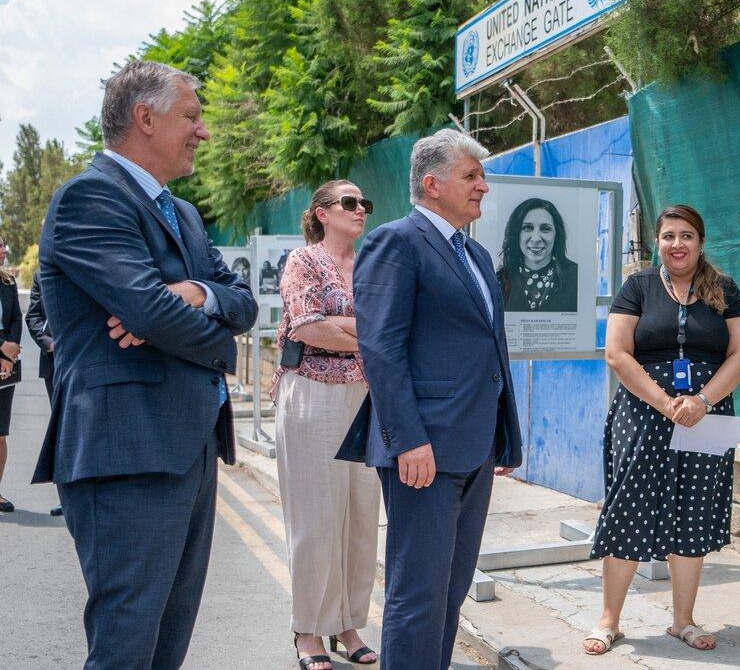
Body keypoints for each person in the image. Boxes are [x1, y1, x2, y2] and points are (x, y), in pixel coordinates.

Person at [32, 60, 258, 668]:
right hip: (127, 450)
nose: (203, 131)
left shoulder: (182, 212)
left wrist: (195, 294)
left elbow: (241, 301)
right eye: (192, 116)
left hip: (189, 447)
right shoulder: (89, 197)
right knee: (126, 648)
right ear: (145, 118)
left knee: (165, 646)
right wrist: (202, 331)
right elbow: (151, 312)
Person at [336, 128, 523, 670]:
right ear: (432, 184)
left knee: (450, 590)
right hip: (424, 450)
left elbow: (490, 349)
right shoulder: (396, 242)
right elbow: (382, 348)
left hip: (474, 447)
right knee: (418, 594)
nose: (483, 186)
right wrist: (408, 440)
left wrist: (503, 435)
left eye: (482, 176)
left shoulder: (477, 254)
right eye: (471, 176)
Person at [582, 205, 740, 656]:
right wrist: (665, 403)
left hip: (706, 414)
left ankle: (683, 621)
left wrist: (702, 401)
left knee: (693, 511)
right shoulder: (637, 287)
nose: (677, 244)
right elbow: (617, 353)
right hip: (643, 413)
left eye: (687, 236)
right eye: (669, 236)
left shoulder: (725, 290)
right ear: (657, 242)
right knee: (629, 508)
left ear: (700, 242)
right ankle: (609, 621)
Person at [271, 181, 379, 669]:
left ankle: (347, 623)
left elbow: (390, 322)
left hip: (367, 396)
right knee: (315, 519)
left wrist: (345, 329)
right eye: (349, 203)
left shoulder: (372, 263)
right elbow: (308, 326)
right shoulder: (304, 261)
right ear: (322, 213)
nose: (360, 210)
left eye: (364, 204)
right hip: (312, 393)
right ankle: (309, 630)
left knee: (360, 517)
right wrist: (370, 335)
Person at [496, 198, 579, 312]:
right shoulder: (500, 280)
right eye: (527, 228)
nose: (535, 239)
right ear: (517, 233)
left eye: (545, 229)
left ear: (557, 234)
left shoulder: (576, 277)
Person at [25, 271, 63, 517]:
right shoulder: (42, 275)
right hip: (54, 363)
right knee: (62, 430)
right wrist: (50, 344)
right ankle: (66, 496)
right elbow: (33, 317)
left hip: (87, 362)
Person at [0, 237, 21, 514]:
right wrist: (2, 346)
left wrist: (9, 352)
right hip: (3, 352)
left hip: (6, 366)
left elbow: (16, 318)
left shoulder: (8, 282)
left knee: (0, 435)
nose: (4, 250)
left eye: (3, 245)